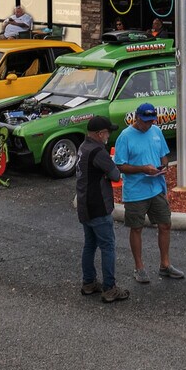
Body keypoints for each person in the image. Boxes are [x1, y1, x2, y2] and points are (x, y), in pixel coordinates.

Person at [113, 102, 183, 285]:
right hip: (136, 191)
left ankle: (165, 264)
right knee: (137, 228)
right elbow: (120, 166)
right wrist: (143, 168)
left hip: (157, 187)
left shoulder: (156, 131)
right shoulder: (125, 137)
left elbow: (164, 156)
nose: (148, 125)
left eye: (151, 121)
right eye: (145, 121)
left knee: (165, 224)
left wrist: (164, 166)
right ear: (136, 118)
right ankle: (139, 267)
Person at [74, 115, 127, 303]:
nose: (108, 136)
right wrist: (110, 168)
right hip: (98, 206)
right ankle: (109, 288)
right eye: (107, 132)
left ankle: (88, 283)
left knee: (90, 244)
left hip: (84, 205)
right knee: (107, 246)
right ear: (100, 133)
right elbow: (115, 175)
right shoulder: (98, 152)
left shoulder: (83, 147)